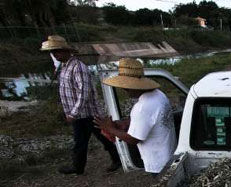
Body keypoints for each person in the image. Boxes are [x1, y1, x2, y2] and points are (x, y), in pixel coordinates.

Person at [40, 35, 121, 175]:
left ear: (66, 51)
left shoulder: (78, 67)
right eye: (53, 52)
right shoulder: (64, 67)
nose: (55, 54)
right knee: (81, 141)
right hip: (79, 114)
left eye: (57, 51)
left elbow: (84, 92)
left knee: (104, 137)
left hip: (89, 113)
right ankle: (78, 167)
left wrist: (73, 113)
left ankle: (118, 159)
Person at [94, 58, 176, 176]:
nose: (124, 90)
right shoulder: (159, 95)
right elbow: (152, 119)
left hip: (158, 163)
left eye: (126, 87)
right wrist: (126, 122)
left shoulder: (142, 107)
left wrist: (110, 128)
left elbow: (133, 139)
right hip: (168, 153)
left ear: (134, 86)